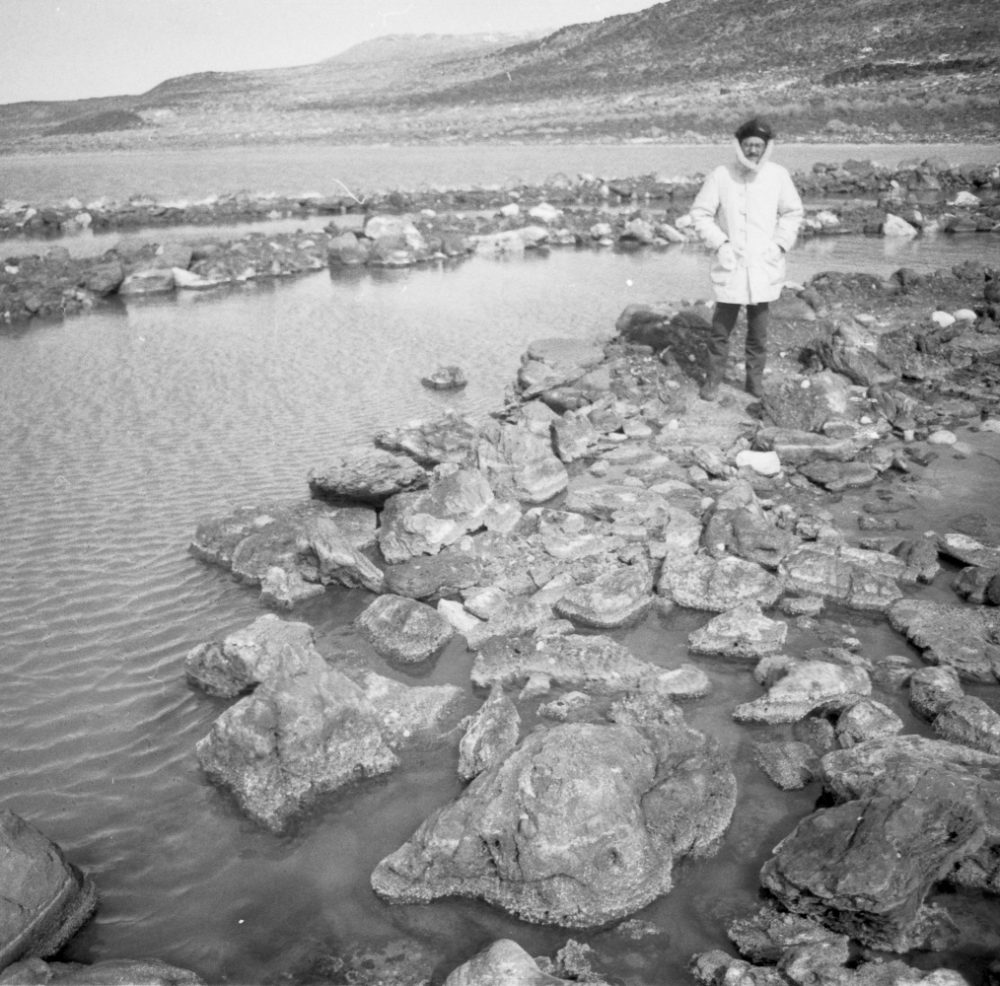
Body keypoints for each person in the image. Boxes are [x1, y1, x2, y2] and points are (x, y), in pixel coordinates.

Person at [689, 117, 804, 401]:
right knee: (720, 331)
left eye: (758, 145)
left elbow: (792, 212)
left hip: (764, 264)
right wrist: (720, 243)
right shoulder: (721, 174)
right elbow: (700, 213)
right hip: (731, 263)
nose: (753, 150)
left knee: (759, 333)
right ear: (739, 146)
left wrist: (778, 245)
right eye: (748, 145)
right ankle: (713, 380)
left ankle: (754, 384)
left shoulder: (778, 175)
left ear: (767, 147)